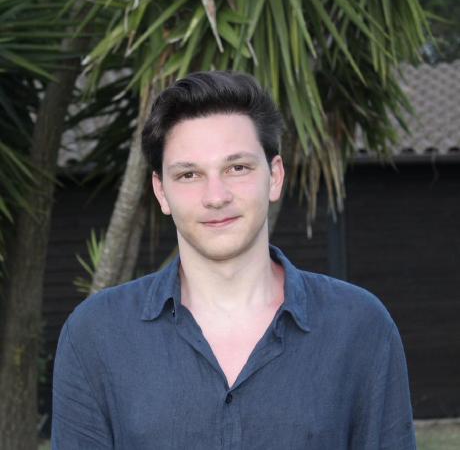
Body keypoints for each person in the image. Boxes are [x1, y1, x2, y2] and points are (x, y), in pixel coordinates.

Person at [52, 71, 416, 449]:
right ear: (161, 191)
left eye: (237, 168)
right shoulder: (96, 334)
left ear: (274, 176)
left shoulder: (359, 326)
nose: (216, 196)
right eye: (189, 174)